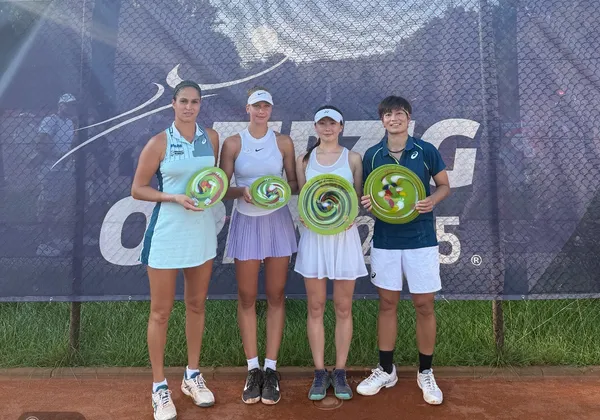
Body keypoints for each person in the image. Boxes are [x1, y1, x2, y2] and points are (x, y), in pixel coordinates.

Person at [131, 80, 219, 420]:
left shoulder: (211, 138)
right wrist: (173, 197)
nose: (189, 107)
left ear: (200, 105)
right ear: (172, 103)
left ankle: (192, 375)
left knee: (196, 305)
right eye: (183, 101)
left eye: (194, 102)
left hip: (202, 234)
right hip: (167, 235)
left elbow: (213, 182)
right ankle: (159, 387)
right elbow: (138, 189)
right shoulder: (159, 142)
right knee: (160, 312)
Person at [356, 96, 451, 405]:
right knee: (387, 304)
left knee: (424, 305)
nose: (393, 118)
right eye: (388, 114)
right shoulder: (372, 155)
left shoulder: (426, 150)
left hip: (421, 239)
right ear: (382, 120)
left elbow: (444, 185)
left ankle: (426, 372)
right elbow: (369, 195)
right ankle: (386, 369)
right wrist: (367, 203)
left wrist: (432, 200)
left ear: (408, 118)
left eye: (399, 113)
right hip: (386, 240)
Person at [219, 86, 298, 405]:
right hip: (246, 222)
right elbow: (221, 187)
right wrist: (242, 192)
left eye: (266, 106)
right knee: (247, 296)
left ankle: (271, 368)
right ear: (247, 109)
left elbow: (294, 183)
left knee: (276, 295)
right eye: (256, 106)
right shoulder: (233, 143)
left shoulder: (283, 142)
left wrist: (280, 189)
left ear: (271, 110)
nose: (261, 111)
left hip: (277, 222)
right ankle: (253, 369)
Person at [294, 106, 367, 401]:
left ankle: (340, 371)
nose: (327, 128)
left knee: (343, 307)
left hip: (344, 240)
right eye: (322, 123)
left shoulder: (353, 158)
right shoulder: (304, 160)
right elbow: (304, 200)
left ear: (341, 126)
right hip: (315, 240)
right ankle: (319, 371)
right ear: (315, 127)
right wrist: (305, 216)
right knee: (315, 307)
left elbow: (357, 199)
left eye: (332, 123)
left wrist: (351, 215)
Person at [34, 93, 78, 257]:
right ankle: (43, 243)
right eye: (69, 105)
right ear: (60, 105)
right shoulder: (50, 120)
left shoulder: (70, 123)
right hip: (50, 170)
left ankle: (56, 239)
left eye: (73, 105)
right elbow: (41, 144)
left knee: (62, 205)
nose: (72, 107)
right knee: (48, 205)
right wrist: (59, 156)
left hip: (65, 170)